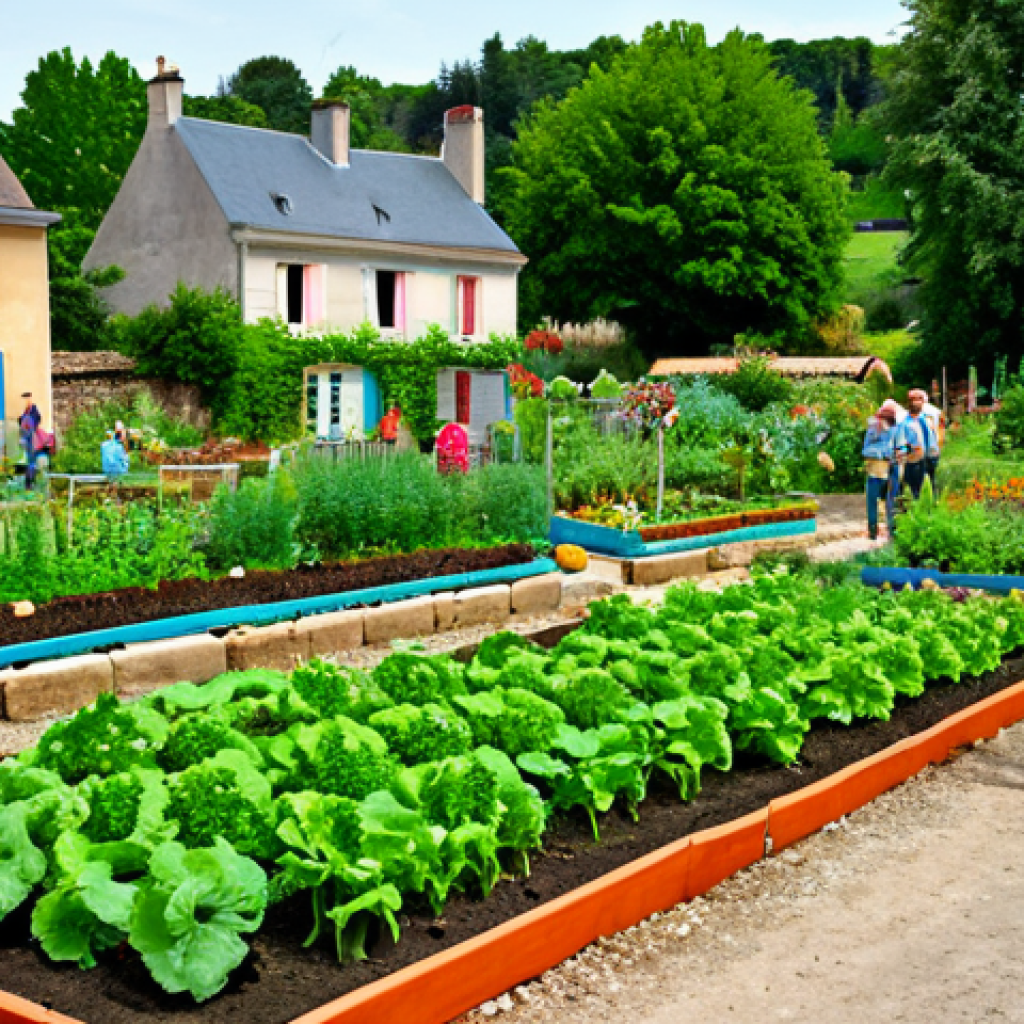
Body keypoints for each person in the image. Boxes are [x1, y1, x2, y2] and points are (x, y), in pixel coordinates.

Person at [863, 403, 896, 540]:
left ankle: (892, 531)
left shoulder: (896, 431)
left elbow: (904, 448)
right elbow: (865, 450)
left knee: (891, 503)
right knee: (872, 503)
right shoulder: (872, 431)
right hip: (874, 472)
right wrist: (882, 453)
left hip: (891, 472)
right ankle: (872, 531)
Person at [901, 389, 935, 498]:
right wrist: (910, 451)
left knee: (928, 490)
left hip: (927, 459)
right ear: (909, 402)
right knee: (914, 492)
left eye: (919, 399)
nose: (917, 402)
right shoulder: (905, 423)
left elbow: (932, 438)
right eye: (913, 399)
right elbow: (900, 445)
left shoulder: (925, 420)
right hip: (912, 462)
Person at [18, 393, 42, 491]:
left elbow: (35, 422)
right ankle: (29, 484)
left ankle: (30, 484)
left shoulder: (33, 411)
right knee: (29, 462)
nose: (26, 401)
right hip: (26, 440)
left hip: (31, 440)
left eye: (27, 398)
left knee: (31, 462)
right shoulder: (26, 413)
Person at [920, 396, 945, 489]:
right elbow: (942, 431)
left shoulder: (916, 414)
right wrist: (940, 447)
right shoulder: (938, 412)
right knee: (931, 477)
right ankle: (933, 498)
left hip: (921, 451)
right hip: (934, 450)